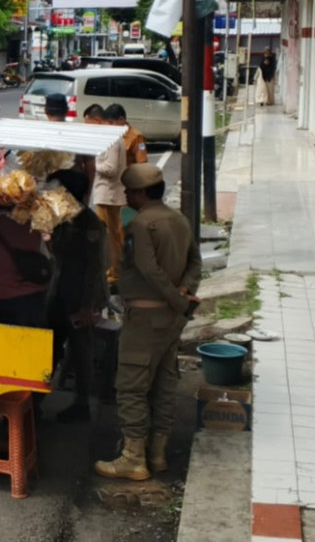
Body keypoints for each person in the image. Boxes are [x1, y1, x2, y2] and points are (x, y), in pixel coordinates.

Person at [94, 164, 201, 482]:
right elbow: (195, 262)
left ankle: (133, 458)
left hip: (145, 319)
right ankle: (158, 453)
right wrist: (186, 291)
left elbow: (149, 270)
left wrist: (178, 298)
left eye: (129, 191)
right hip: (170, 321)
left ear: (142, 193)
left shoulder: (141, 225)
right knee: (164, 383)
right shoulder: (178, 219)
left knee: (131, 387)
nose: (126, 195)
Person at [46, 169, 108, 424]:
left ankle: (82, 404)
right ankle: (37, 397)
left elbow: (94, 267)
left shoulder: (90, 223)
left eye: (60, 191)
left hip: (81, 297)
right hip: (59, 292)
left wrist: (87, 306)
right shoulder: (61, 219)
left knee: (81, 349)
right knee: (50, 346)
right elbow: (56, 253)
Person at [0, 203, 50, 328]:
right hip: (38, 303)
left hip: (6, 304)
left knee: (6, 346)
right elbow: (45, 258)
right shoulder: (30, 226)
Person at [87, 104, 127, 285]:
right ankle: (114, 271)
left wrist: (92, 164)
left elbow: (110, 168)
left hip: (109, 194)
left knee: (110, 237)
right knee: (112, 236)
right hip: (105, 193)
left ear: (97, 120)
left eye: (89, 123)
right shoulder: (109, 137)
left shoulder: (111, 139)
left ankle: (114, 273)